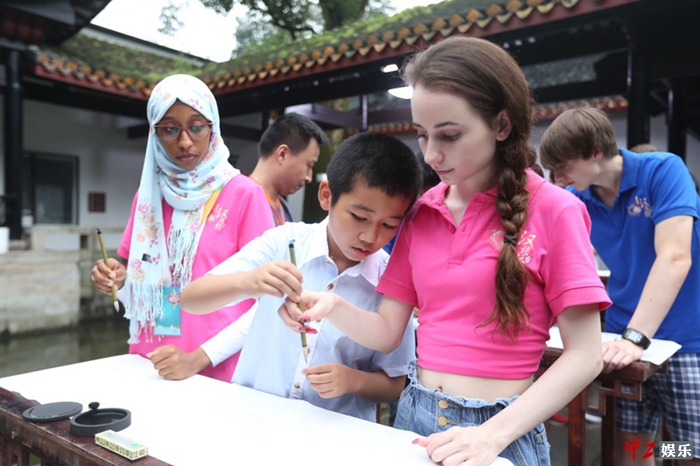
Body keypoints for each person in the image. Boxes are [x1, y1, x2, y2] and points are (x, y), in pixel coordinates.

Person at [279, 36, 610, 466]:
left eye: (450, 135)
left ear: (501, 125)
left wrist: (490, 436)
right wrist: (333, 306)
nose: (432, 154)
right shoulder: (422, 212)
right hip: (415, 419)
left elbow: (585, 355)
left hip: (499, 431)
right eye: (422, 135)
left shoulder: (555, 210)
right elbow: (387, 331)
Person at [180, 132, 422, 422]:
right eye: (360, 217)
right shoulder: (284, 242)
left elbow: (394, 382)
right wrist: (249, 281)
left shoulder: (391, 280)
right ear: (326, 195)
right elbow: (191, 299)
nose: (370, 236)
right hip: (254, 420)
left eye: (389, 225)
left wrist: (354, 381)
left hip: (332, 432)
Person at [539, 107, 700, 465]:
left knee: (690, 452)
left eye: (563, 166)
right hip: (620, 336)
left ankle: (668, 455)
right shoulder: (579, 198)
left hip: (685, 337)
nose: (559, 177)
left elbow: (675, 256)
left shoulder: (662, 170)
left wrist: (636, 338)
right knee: (631, 447)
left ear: (596, 152)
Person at [91, 74, 274, 382]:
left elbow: (268, 302)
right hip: (149, 365)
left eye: (196, 126)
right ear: (154, 133)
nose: (185, 142)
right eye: (170, 129)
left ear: (213, 127)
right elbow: (151, 295)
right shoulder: (148, 196)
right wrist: (119, 282)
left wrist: (197, 359)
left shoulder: (244, 194)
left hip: (218, 372)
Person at [249, 112, 329, 225]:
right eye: (309, 165)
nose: (309, 178)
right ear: (283, 154)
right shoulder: (242, 199)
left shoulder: (282, 207)